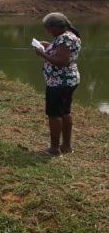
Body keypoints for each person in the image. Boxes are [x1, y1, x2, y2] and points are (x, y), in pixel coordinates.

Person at [34, 13, 81, 156]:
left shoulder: (64, 38)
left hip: (59, 82)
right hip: (69, 80)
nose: (48, 32)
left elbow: (62, 62)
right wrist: (50, 47)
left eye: (49, 29)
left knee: (54, 115)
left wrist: (43, 54)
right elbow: (63, 53)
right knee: (65, 112)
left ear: (56, 26)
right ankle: (66, 146)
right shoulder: (70, 35)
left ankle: (54, 149)